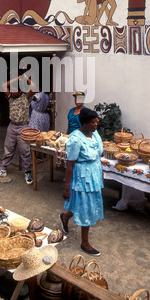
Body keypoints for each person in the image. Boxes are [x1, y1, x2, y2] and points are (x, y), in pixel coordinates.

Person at [60, 108, 104, 256]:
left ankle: (65, 216)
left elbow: (98, 151)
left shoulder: (95, 134)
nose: (96, 124)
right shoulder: (75, 140)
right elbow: (70, 165)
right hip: (83, 177)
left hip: (94, 175)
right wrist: (67, 188)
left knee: (83, 202)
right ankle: (84, 243)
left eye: (97, 121)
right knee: (87, 208)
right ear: (84, 123)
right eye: (93, 122)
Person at [0, 74, 35, 185]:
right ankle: (3, 168)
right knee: (8, 148)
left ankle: (27, 172)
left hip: (23, 127)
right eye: (12, 90)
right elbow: (4, 85)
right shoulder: (10, 98)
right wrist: (17, 79)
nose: (13, 92)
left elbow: (34, 87)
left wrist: (25, 78)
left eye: (15, 90)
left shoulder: (26, 97)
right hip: (12, 126)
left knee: (25, 150)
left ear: (20, 90)